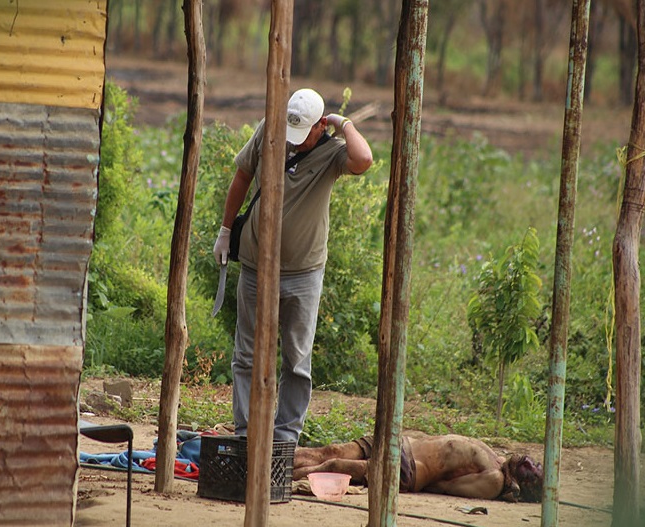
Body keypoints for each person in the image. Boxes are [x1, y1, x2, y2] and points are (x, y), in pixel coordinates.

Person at [213, 88, 373, 443]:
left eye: (304, 133)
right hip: (256, 267)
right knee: (247, 354)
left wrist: (343, 122)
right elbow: (242, 175)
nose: (295, 141)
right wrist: (226, 230)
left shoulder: (332, 153)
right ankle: (245, 433)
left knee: (296, 361)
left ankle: (285, 438)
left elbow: (364, 159)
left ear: (320, 125)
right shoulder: (270, 131)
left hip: (303, 273)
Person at [293, 433, 544, 503]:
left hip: (409, 467)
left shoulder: (495, 480)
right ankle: (272, 457)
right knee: (331, 451)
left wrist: (406, 479)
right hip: (403, 442)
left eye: (533, 471)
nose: (530, 463)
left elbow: (446, 487)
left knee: (333, 465)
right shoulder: (500, 460)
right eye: (536, 463)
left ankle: (279, 478)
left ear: (526, 485)